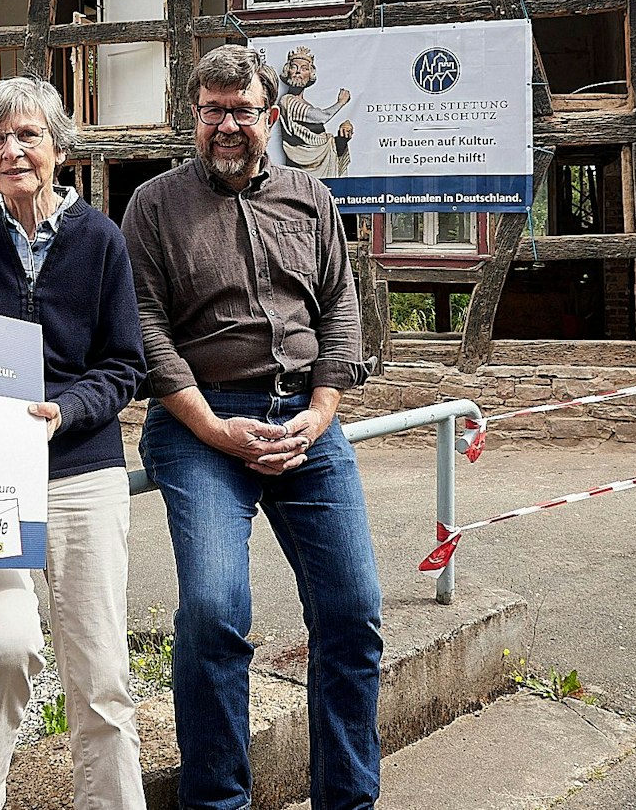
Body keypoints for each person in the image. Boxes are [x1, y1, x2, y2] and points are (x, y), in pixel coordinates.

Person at [122, 45, 382, 810]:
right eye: (213, 110)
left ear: (271, 116)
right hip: (201, 424)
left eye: (242, 109)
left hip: (306, 419)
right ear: (193, 117)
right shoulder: (154, 206)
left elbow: (339, 307)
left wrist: (321, 413)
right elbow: (144, 324)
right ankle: (216, 804)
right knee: (212, 613)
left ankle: (347, 801)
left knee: (352, 613)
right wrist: (211, 426)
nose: (228, 124)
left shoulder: (313, 198)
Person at [0, 76, 147, 810]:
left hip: (81, 469)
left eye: (27, 136)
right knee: (9, 643)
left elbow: (124, 364)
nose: (11, 150)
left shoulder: (102, 240)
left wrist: (66, 409)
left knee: (102, 669)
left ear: (60, 147)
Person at [275, 45, 354, 178]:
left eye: (304, 68)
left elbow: (321, 143)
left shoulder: (305, 104)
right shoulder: (287, 102)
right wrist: (341, 102)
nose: (298, 72)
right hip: (303, 171)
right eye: (294, 67)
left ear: (310, 74)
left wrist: (342, 139)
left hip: (323, 164)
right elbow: (320, 117)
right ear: (288, 71)